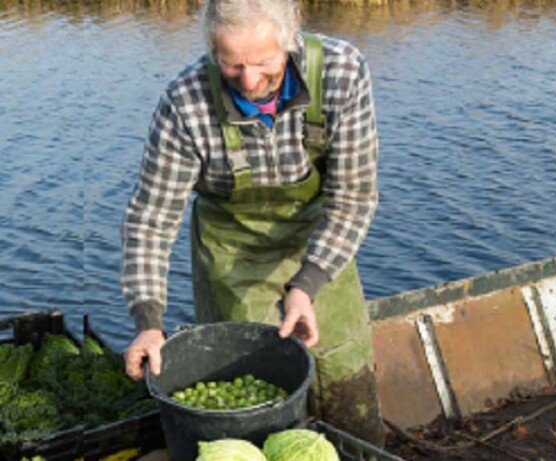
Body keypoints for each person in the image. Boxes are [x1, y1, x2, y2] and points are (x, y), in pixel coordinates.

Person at [120, 0, 384, 444]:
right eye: (231, 64)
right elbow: (150, 219)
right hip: (231, 259)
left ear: (291, 33)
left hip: (319, 247)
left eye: (264, 62)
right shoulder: (185, 103)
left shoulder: (342, 73)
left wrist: (307, 284)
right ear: (211, 48)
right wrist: (148, 320)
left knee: (346, 389)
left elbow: (353, 196)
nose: (249, 80)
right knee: (248, 412)